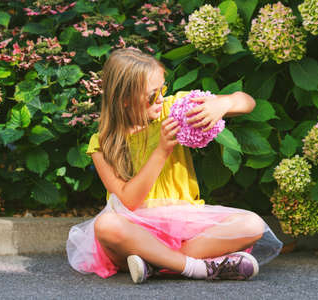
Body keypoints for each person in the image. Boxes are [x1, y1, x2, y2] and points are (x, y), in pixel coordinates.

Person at [66, 48, 282, 283]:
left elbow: (247, 101)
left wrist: (223, 103)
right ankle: (199, 268)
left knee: (252, 225)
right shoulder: (102, 143)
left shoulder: (173, 109)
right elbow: (129, 200)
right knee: (106, 225)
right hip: (135, 231)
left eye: (163, 90)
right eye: (151, 95)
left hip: (186, 224)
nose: (160, 99)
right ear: (124, 99)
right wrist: (162, 150)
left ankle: (158, 265)